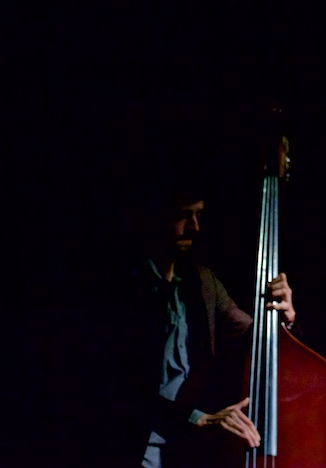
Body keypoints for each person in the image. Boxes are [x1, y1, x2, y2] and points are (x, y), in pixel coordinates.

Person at [118, 178, 298, 468]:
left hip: (189, 452)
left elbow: (254, 337)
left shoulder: (202, 283)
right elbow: (121, 390)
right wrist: (197, 418)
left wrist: (284, 318)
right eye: (182, 216)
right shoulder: (123, 288)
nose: (195, 228)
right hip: (135, 448)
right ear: (154, 217)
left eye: (198, 215)